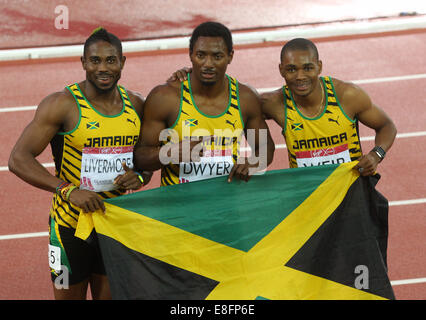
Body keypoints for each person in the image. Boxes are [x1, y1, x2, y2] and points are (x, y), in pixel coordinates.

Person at [8, 28, 151, 300]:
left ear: (122, 62)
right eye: (95, 60)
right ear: (83, 62)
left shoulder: (137, 105)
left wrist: (141, 176)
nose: (103, 68)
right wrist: (69, 190)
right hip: (69, 227)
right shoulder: (61, 104)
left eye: (111, 60)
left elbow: (146, 158)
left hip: (115, 225)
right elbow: (18, 159)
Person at [133, 22, 275, 185]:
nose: (208, 64)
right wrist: (168, 153)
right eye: (201, 55)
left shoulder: (246, 98)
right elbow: (140, 157)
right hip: (178, 207)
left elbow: (265, 148)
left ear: (230, 56)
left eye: (217, 56)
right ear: (190, 55)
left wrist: (253, 163)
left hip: (227, 205)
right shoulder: (165, 98)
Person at [261, 38, 396, 174]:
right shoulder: (273, 104)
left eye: (308, 68)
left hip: (351, 188)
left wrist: (376, 155)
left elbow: (387, 126)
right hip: (308, 192)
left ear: (319, 67)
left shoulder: (348, 96)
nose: (300, 76)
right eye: (291, 69)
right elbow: (247, 118)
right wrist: (253, 161)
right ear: (281, 70)